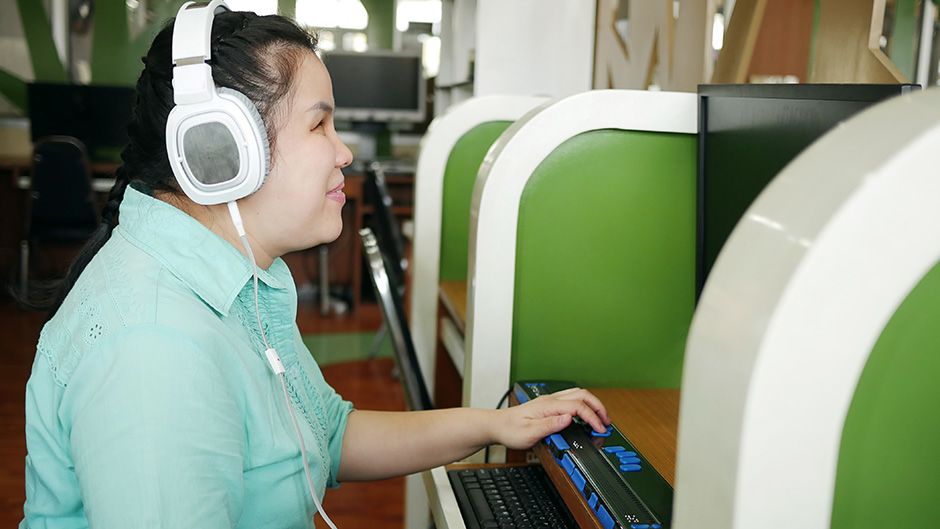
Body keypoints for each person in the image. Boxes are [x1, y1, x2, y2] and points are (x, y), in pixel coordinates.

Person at [20, 6, 610, 529]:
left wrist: (493, 425)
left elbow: (329, 435)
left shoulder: (239, 282)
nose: (344, 150)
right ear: (221, 151)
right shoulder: (154, 351)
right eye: (319, 124)